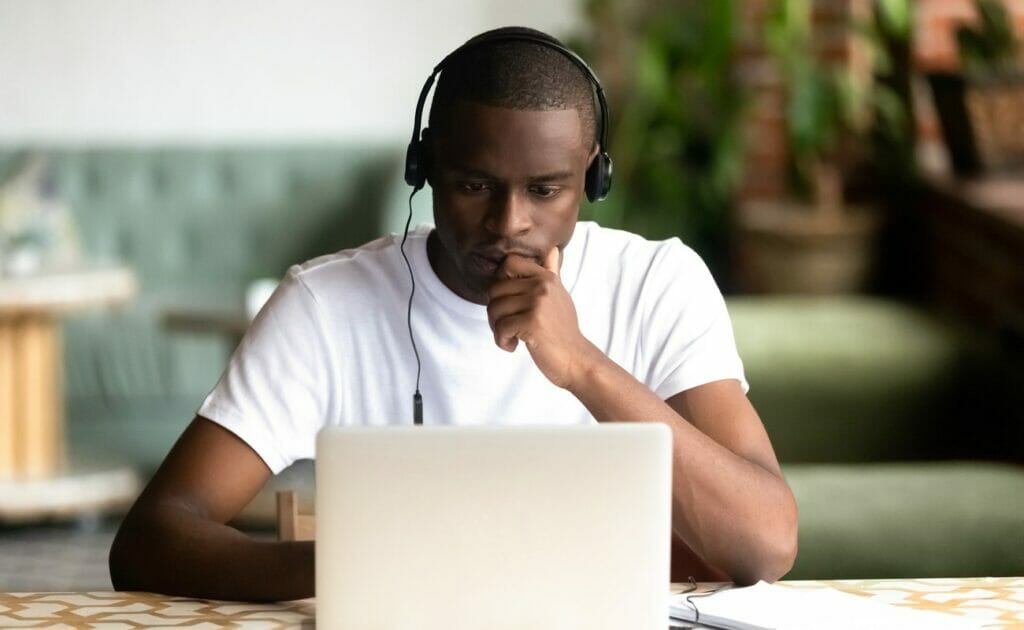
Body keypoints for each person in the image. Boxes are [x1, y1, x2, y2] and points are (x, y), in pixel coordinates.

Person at [109, 26, 797, 602]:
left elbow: (766, 543)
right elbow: (153, 538)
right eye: (474, 185)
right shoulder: (325, 306)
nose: (509, 223)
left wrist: (582, 364)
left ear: (593, 177)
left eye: (546, 190)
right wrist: (365, 567)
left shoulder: (658, 282)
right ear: (426, 167)